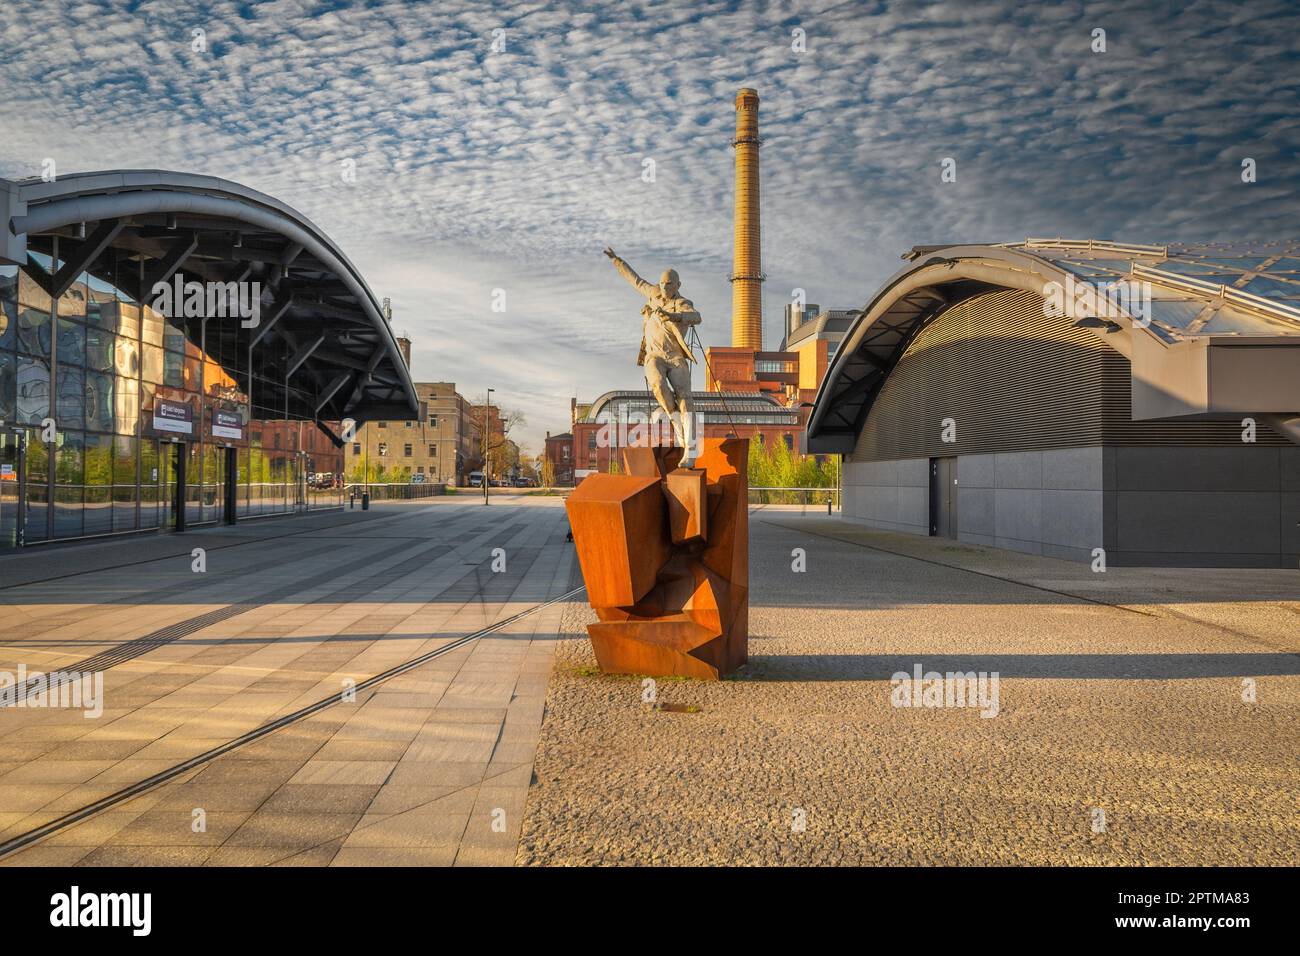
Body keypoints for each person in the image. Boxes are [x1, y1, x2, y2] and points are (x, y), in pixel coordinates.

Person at [603, 247, 701, 462]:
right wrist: (616, 260)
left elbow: (696, 317)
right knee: (656, 383)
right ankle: (677, 425)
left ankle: (690, 448)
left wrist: (672, 316)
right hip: (654, 354)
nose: (665, 287)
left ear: (678, 285)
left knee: (685, 397)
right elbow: (635, 280)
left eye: (669, 284)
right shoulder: (653, 293)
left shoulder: (682, 303)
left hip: (675, 357)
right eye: (663, 283)